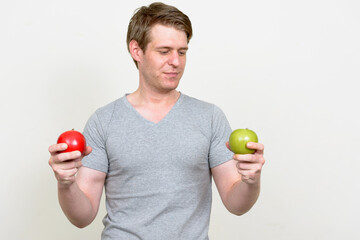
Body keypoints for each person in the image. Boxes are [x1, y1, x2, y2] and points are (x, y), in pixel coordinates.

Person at [48, 2, 265, 239]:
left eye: (182, 52)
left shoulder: (210, 117)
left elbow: (237, 205)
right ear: (136, 51)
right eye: (164, 51)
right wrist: (65, 183)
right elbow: (82, 216)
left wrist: (251, 180)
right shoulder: (104, 121)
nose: (176, 61)